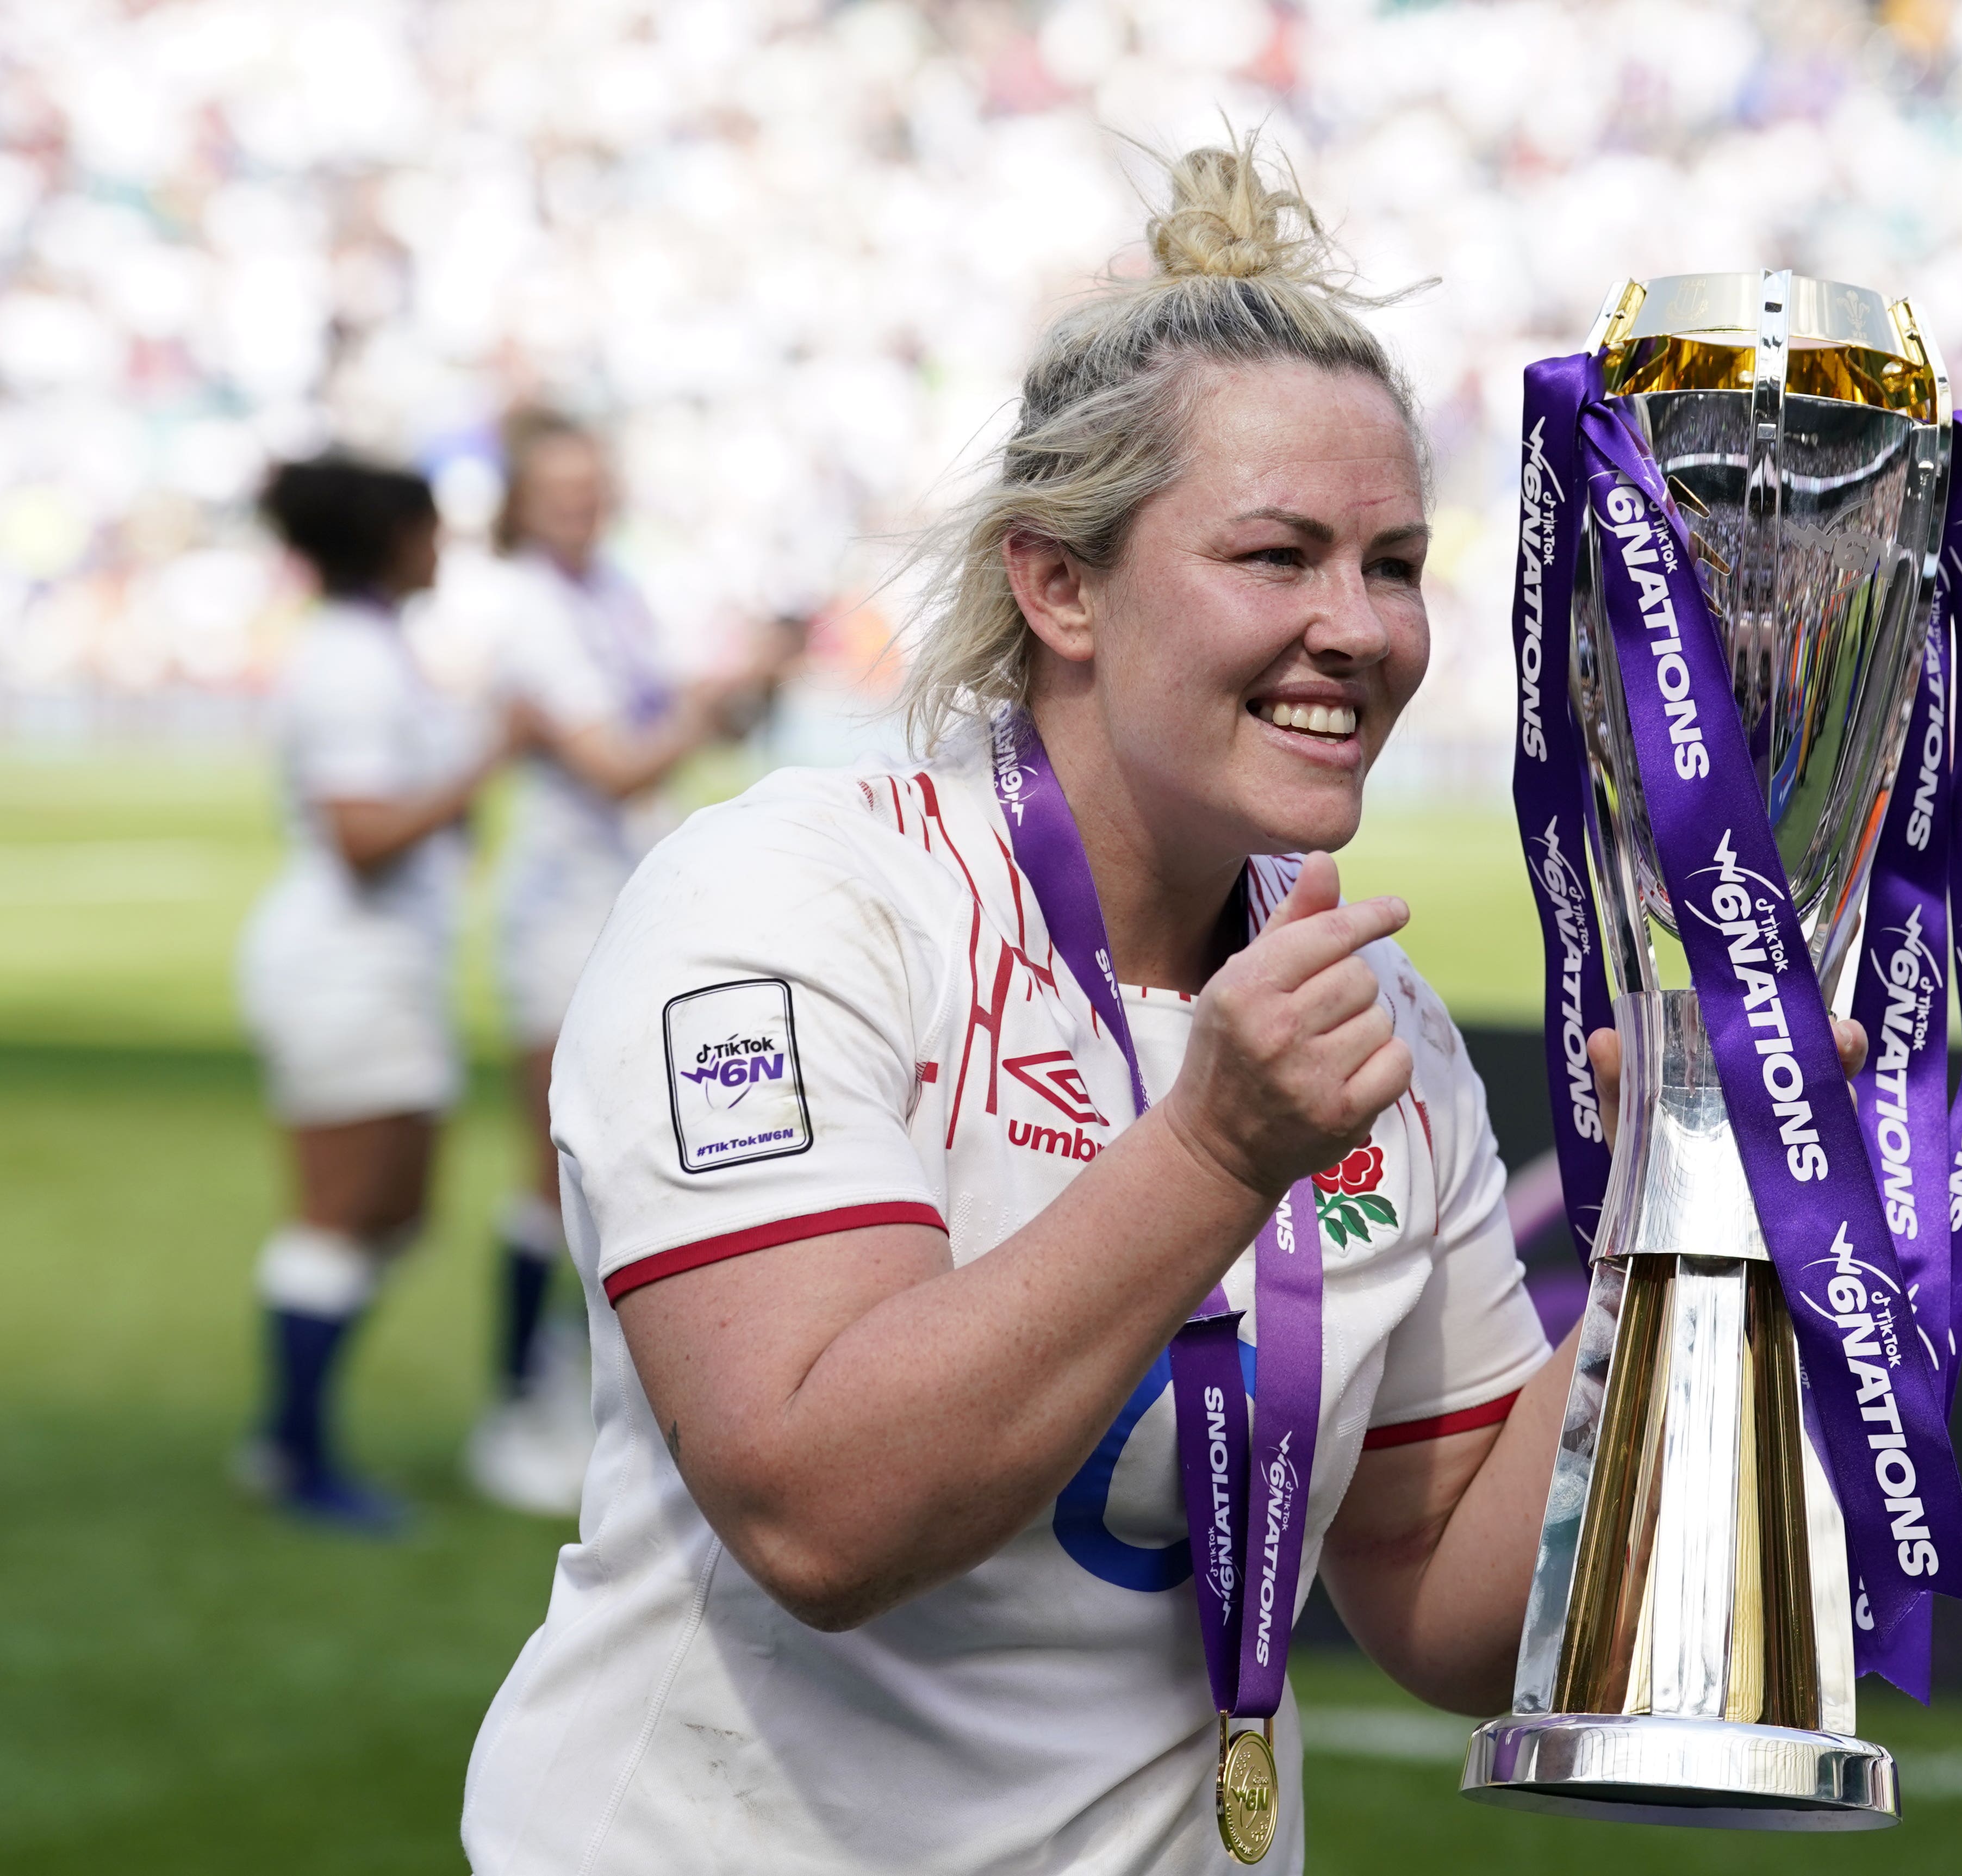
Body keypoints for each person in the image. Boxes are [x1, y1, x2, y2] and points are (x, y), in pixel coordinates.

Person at [462, 140, 1861, 1871]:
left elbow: (1440, 1604)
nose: (1356, 628)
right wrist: (1215, 1146)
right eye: (1277, 555)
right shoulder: (790, 901)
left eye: (1395, 562)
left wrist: (1693, 1209)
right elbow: (816, 1512)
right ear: (1060, 586)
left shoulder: (1378, 1022)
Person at [463, 408, 790, 1518]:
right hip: (559, 914)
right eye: (560, 489)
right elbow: (611, 764)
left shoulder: (610, 594)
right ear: (518, 500)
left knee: (617, 1167)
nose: (582, 505)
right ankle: (515, 1403)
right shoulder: (525, 614)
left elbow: (663, 735)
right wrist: (705, 702)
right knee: (547, 1169)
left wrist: (747, 682)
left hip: (623, 904)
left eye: (592, 485)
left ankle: (581, 1391)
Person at [235, 455, 524, 1532]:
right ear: (393, 537)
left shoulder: (372, 648)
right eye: (430, 529)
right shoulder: (350, 662)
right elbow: (360, 836)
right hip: (344, 963)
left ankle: (290, 1434)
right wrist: (487, 762)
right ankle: (294, 1453)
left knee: (393, 1211)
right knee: (342, 1213)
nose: (444, 547)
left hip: (384, 962)